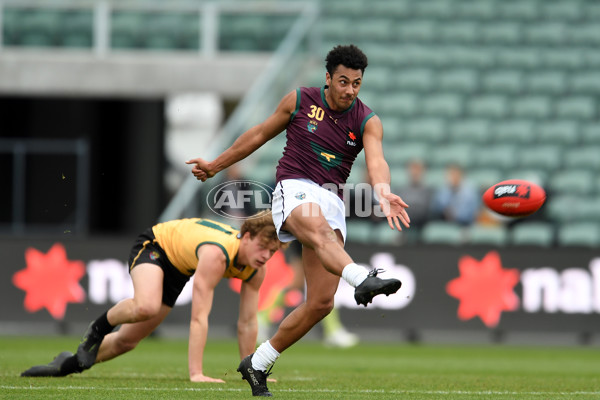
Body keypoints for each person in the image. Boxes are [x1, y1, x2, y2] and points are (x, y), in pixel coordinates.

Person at [186, 44, 410, 397]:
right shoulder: (299, 100)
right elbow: (259, 134)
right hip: (294, 186)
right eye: (343, 82)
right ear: (328, 78)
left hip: (331, 198)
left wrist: (381, 190)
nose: (350, 90)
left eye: (356, 83)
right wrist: (216, 165)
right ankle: (362, 278)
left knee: (321, 303)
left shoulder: (368, 119)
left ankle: (257, 363)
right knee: (321, 234)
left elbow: (377, 160)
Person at [20, 210, 286, 383]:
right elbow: (199, 317)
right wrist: (197, 374)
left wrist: (252, 370)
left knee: (127, 341)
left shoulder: (256, 269)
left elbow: (248, 322)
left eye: (272, 251)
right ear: (247, 236)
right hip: (155, 246)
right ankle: (97, 329)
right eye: (263, 246)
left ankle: (67, 364)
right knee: (145, 306)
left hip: (179, 267)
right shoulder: (217, 254)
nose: (265, 256)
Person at [396, 159, 434, 242]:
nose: (415, 173)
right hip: (403, 225)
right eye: (413, 169)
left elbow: (427, 210)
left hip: (422, 225)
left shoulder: (428, 191)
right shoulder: (401, 190)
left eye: (418, 170)